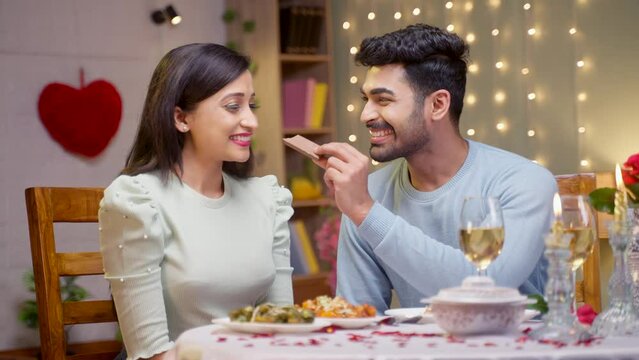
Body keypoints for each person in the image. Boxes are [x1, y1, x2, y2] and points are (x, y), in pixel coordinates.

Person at [314, 24, 557, 312]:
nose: (365, 114)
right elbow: (358, 316)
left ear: (438, 104)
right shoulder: (369, 193)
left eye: (383, 100)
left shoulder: (524, 181)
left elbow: (490, 286)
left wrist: (367, 213)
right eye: (365, 99)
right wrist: (363, 209)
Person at [99, 43, 294, 360]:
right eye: (233, 107)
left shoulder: (267, 198)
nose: (252, 122)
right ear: (181, 118)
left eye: (251, 107)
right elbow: (151, 352)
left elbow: (282, 328)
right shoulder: (137, 201)